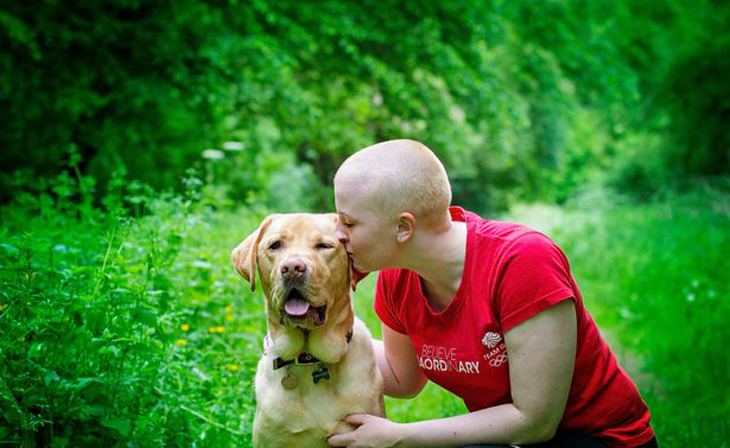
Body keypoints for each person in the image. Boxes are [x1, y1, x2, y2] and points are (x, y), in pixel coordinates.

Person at [327, 140, 657, 448]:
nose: (337, 235)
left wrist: (400, 436)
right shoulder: (398, 276)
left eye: (349, 223)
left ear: (403, 227)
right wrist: (321, 335)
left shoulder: (523, 260)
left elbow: (535, 421)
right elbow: (402, 378)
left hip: (600, 439)